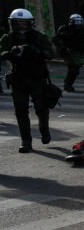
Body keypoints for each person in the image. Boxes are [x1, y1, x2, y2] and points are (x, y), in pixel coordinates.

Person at [1, 9, 56, 152]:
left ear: (30, 23)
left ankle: (44, 130)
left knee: (41, 108)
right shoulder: (8, 38)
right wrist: (10, 52)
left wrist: (36, 51)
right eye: (18, 23)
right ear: (12, 24)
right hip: (18, 79)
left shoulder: (39, 37)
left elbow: (50, 53)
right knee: (20, 110)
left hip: (37, 78)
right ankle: (26, 141)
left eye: (24, 23)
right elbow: (1, 53)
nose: (21, 26)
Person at [54, 13, 84, 92]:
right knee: (73, 69)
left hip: (76, 52)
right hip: (67, 52)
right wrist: (62, 47)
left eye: (79, 22)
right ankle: (67, 85)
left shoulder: (82, 31)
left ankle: (68, 84)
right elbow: (56, 39)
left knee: (76, 69)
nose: (78, 24)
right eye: (76, 22)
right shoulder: (65, 29)